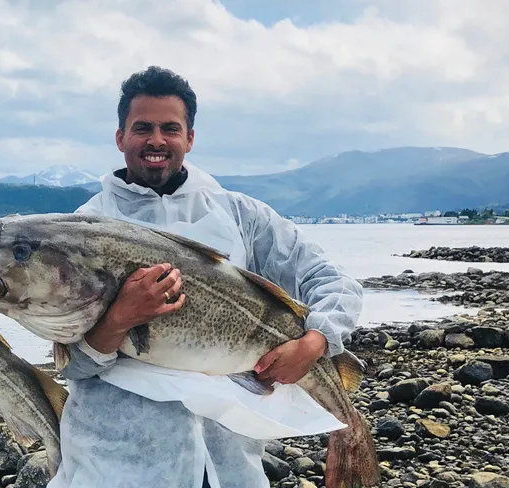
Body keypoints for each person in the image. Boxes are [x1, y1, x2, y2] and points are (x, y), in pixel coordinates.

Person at [49, 66, 364, 488]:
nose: (156, 140)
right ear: (120, 136)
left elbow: (331, 279)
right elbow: (75, 367)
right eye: (142, 128)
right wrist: (119, 319)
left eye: (170, 129)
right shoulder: (82, 232)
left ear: (190, 138)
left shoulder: (241, 216)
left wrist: (316, 342)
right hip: (117, 464)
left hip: (229, 462)